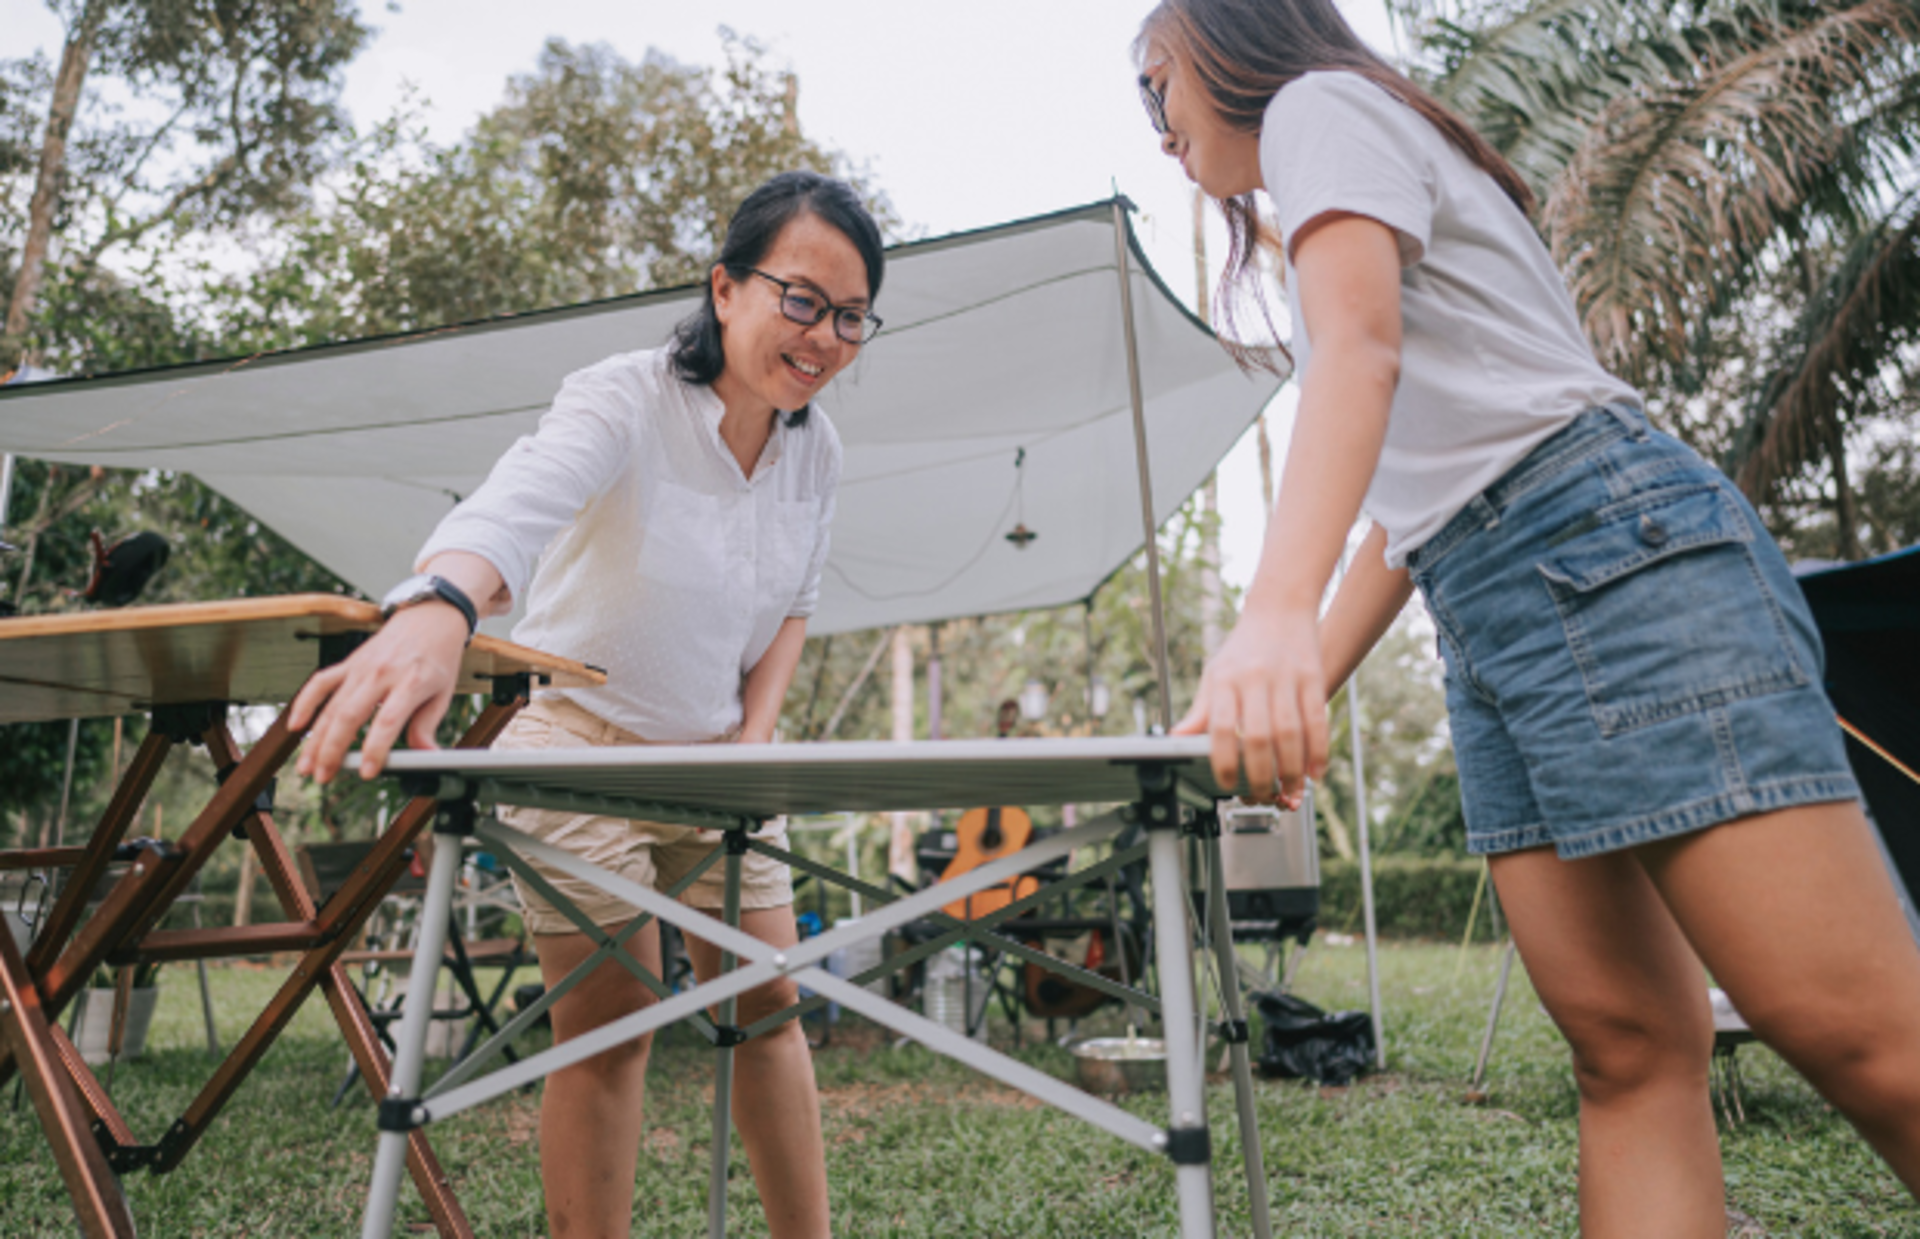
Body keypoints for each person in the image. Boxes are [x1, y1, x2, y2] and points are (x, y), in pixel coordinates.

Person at [1135, 1, 1920, 1233]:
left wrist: (1272, 614)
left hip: (1605, 549)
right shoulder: (1349, 163)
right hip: (1492, 602)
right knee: (1626, 1046)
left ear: (1231, 40)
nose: (1160, 128)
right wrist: (1297, 681)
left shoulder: (1317, 108)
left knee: (1869, 1041)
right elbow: (1408, 512)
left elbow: (1361, 350)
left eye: (1154, 85)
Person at [291, 169, 885, 1239]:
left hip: (714, 761)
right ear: (726, 288)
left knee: (768, 1010)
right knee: (611, 1027)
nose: (824, 337)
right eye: (801, 299)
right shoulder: (625, 394)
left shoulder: (817, 449)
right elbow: (523, 497)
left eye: (850, 317)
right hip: (569, 744)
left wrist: (755, 742)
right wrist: (439, 603)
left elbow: (793, 604)